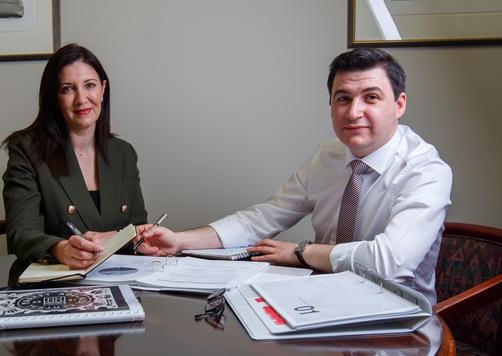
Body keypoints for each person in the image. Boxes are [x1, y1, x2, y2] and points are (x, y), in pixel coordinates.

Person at [135, 48, 452, 303]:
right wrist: (179, 241)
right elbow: (261, 220)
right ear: (331, 105)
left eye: (371, 97)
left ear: (399, 104)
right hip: (321, 301)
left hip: (398, 318)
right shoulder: (327, 157)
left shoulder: (426, 171)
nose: (354, 112)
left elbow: (391, 263)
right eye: (343, 98)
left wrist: (302, 253)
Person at [2, 43, 147, 269]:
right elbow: (21, 234)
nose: (81, 99)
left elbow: (138, 228)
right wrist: (60, 249)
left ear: (103, 89)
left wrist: (122, 237)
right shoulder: (27, 150)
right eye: (68, 89)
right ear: (55, 98)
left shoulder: (124, 153)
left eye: (89, 85)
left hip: (118, 276)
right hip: (58, 283)